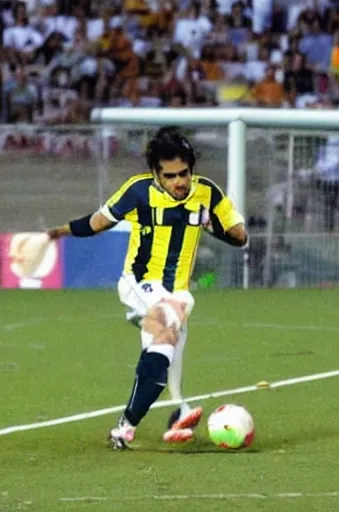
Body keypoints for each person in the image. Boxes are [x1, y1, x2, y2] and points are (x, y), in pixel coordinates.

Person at [47, 127, 248, 449]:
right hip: (139, 282)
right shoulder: (138, 191)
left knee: (163, 352)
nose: (179, 182)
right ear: (155, 173)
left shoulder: (207, 193)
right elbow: (97, 223)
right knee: (168, 328)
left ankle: (152, 419)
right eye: (170, 176)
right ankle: (151, 408)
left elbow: (240, 236)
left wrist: (211, 223)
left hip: (178, 291)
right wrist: (55, 233)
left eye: (184, 173)